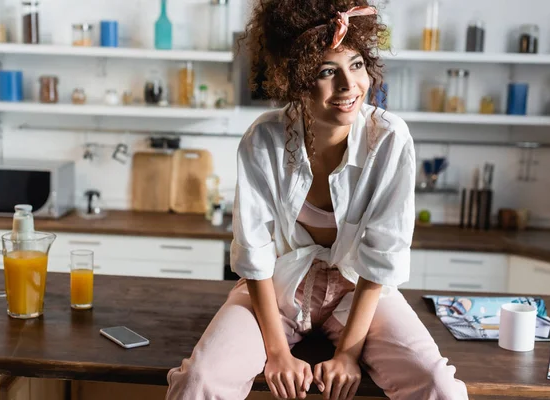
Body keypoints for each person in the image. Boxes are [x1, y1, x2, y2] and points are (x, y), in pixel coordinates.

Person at [167, 1, 468, 399]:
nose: (349, 86)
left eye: (357, 65)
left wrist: (348, 353)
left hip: (359, 292)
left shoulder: (391, 140)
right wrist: (276, 352)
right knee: (200, 380)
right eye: (328, 71)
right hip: (275, 290)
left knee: (437, 385)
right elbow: (254, 256)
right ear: (297, 77)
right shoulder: (264, 140)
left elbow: (380, 261)